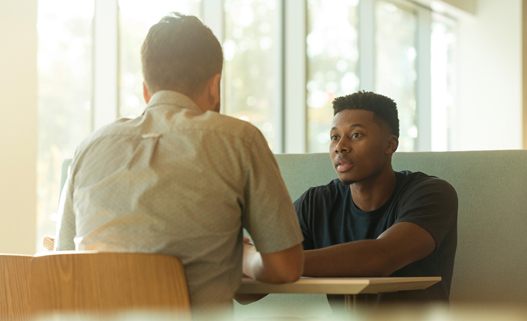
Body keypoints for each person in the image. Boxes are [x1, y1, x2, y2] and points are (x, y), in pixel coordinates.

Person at [55, 12, 303, 312]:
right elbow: (286, 268)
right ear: (215, 86)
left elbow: (62, 265)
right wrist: (245, 257)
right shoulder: (240, 140)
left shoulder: (89, 148)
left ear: (147, 90)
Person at [294, 91, 457, 304]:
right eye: (334, 137)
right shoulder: (315, 203)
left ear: (390, 145)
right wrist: (248, 260)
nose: (340, 147)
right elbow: (248, 293)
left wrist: (271, 262)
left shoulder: (432, 194)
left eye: (355, 135)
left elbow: (380, 258)